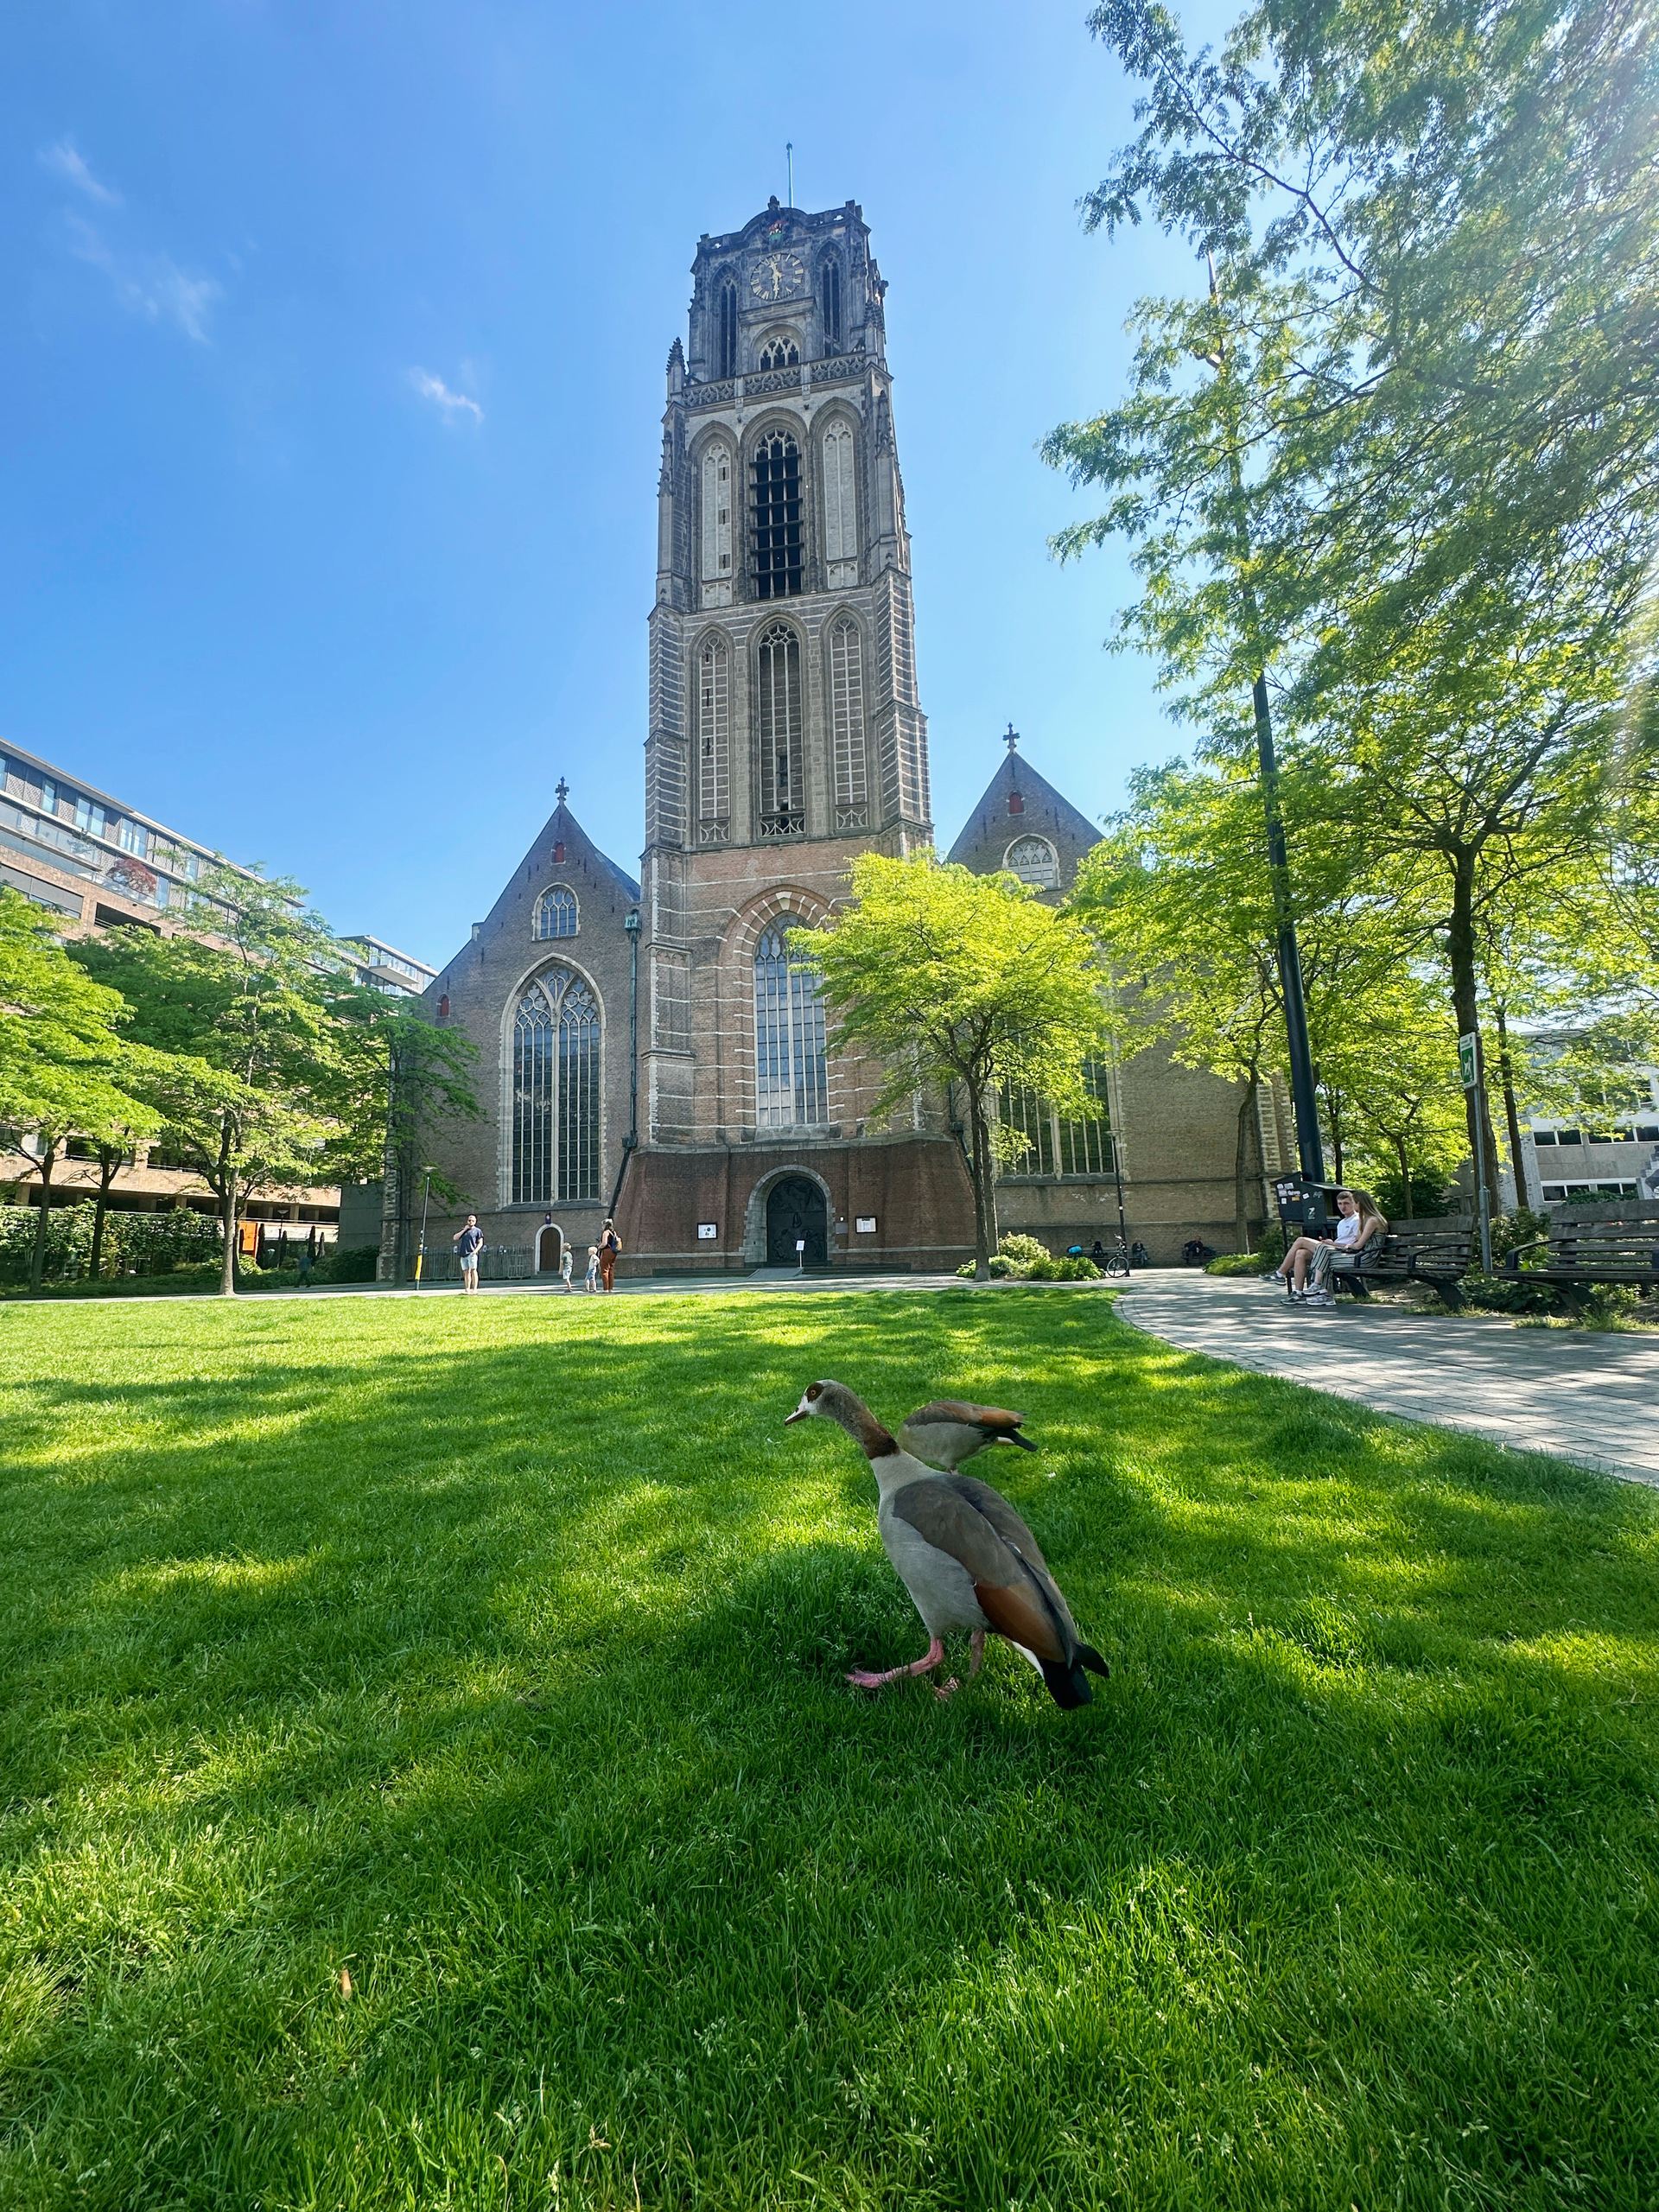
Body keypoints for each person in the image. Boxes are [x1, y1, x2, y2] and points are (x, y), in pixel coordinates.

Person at [1274, 1188, 1387, 1304]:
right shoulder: (1365, 1220)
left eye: (1353, 1202)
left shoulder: (1372, 1220)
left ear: (1359, 1203)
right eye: (1340, 1204)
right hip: (1361, 1255)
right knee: (1317, 1251)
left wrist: (1337, 1245)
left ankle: (1320, 1289)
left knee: (1323, 1252)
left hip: (1366, 1258)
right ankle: (1317, 1292)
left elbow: (1358, 1246)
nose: (1352, 1206)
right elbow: (1357, 1241)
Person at [453, 1213, 484, 1293]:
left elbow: (480, 1242)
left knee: (473, 1270)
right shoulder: (464, 1231)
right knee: (466, 1272)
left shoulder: (478, 1231)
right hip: (463, 1253)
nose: (470, 1222)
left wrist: (475, 1251)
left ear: (475, 1222)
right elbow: (455, 1237)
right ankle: (467, 1289)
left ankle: (475, 1289)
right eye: (469, 1220)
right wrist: (464, 1230)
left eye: (472, 1221)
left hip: (472, 1253)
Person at [598, 1217, 621, 1294]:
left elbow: (604, 1243)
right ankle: (610, 1288)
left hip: (607, 1251)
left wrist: (598, 1247)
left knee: (604, 1270)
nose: (602, 1226)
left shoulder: (606, 1232)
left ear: (605, 1225)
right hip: (614, 1252)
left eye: (603, 1225)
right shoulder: (614, 1232)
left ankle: (606, 1289)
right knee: (611, 1270)